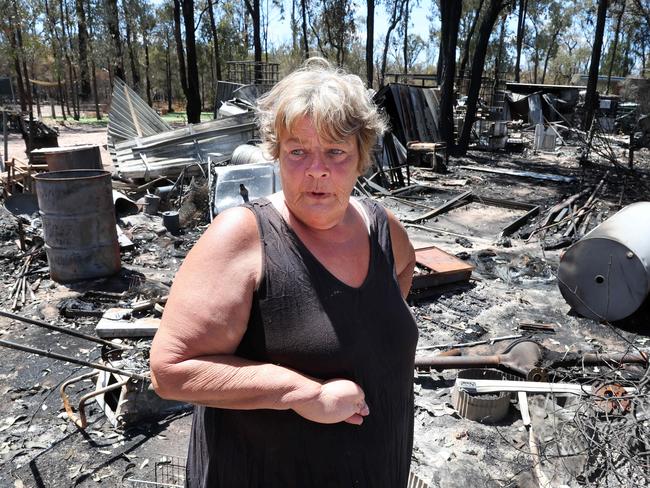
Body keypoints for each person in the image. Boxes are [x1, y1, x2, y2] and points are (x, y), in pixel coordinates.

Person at [150, 58, 418, 488]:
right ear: (276, 153)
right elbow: (170, 371)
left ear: (360, 158)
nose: (316, 169)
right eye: (298, 151)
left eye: (335, 151)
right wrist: (300, 393)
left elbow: (404, 268)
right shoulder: (243, 237)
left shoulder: (382, 226)